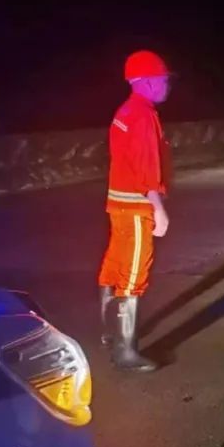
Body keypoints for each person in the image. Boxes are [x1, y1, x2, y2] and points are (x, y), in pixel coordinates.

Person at [98, 50, 173, 372]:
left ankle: (108, 334)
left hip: (118, 201)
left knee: (115, 265)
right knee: (133, 271)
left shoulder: (124, 111)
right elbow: (147, 166)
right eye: (163, 79)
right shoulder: (143, 115)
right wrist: (158, 208)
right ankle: (125, 352)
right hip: (135, 205)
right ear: (148, 83)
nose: (167, 84)